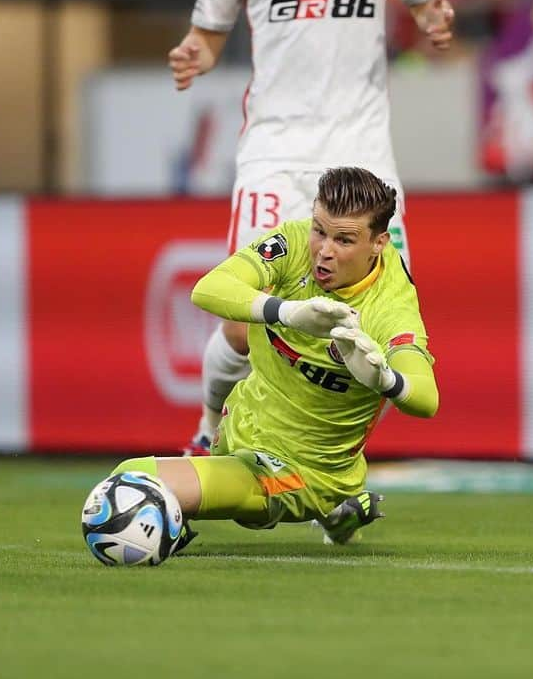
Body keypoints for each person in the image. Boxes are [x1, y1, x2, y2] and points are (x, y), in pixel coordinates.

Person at [167, 0, 453, 455]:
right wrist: (193, 54)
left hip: (363, 159)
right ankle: (210, 429)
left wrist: (434, 16)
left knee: (370, 324)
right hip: (275, 152)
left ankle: (334, 466)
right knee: (243, 326)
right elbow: (207, 34)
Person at [108, 167, 438, 546]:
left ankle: (329, 502)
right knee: (129, 476)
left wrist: (385, 380)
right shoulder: (296, 243)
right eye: (320, 231)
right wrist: (286, 312)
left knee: (131, 486)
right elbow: (208, 289)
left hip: (302, 473)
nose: (324, 251)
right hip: (241, 428)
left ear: (379, 243)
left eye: (344, 240)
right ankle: (340, 511)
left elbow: (427, 399)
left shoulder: (390, 306)